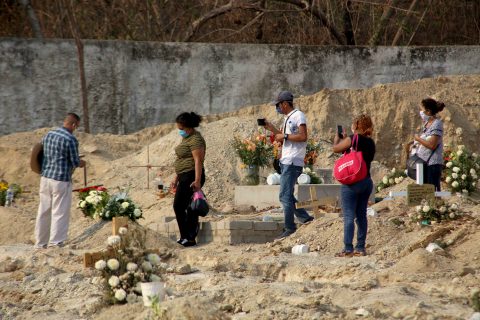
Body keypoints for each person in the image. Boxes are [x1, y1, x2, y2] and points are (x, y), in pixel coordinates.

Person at [264, 91, 314, 239]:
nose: (277, 108)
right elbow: (285, 138)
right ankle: (306, 219)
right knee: (287, 195)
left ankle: (289, 227)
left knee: (284, 196)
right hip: (287, 160)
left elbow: (303, 136)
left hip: (293, 161)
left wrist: (284, 136)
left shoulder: (298, 115)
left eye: (278, 105)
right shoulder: (287, 118)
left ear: (285, 103)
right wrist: (272, 129)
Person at [34, 113, 86, 249]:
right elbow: (75, 161)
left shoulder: (48, 135)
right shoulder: (71, 139)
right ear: (74, 125)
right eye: (76, 126)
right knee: (60, 211)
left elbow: (40, 152)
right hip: (61, 180)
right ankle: (56, 242)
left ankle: (40, 243)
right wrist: (81, 162)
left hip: (45, 178)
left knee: (43, 210)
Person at [332, 114, 375, 257]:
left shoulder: (353, 138)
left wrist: (338, 138)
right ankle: (360, 247)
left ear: (356, 125)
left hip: (352, 183)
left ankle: (348, 248)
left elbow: (336, 148)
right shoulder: (371, 142)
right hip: (367, 181)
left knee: (349, 216)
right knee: (361, 215)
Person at [171, 112, 206, 247]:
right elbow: (182, 160)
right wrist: (176, 178)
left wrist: (197, 180)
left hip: (192, 175)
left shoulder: (196, 139)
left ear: (189, 127)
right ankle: (186, 237)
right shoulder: (187, 138)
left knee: (179, 205)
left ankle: (188, 237)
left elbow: (198, 161)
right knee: (184, 206)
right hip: (184, 175)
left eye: (181, 129)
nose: (180, 131)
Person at [413, 98, 445, 191]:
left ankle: (436, 205)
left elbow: (432, 145)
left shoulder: (437, 124)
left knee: (433, 191)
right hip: (425, 162)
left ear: (428, 111)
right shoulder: (427, 123)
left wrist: (418, 139)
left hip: (433, 163)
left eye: (423, 110)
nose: (421, 112)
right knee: (426, 191)